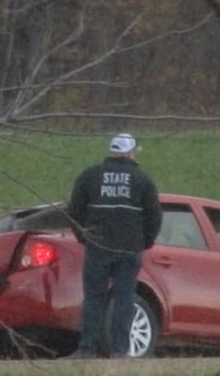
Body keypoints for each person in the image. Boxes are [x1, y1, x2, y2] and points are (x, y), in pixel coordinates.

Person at [66, 133, 162, 359]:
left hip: (98, 248)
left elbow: (73, 212)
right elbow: (154, 217)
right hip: (129, 249)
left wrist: (84, 237)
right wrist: (145, 241)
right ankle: (120, 351)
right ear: (130, 152)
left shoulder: (90, 176)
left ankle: (87, 349)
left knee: (93, 298)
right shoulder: (142, 180)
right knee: (124, 298)